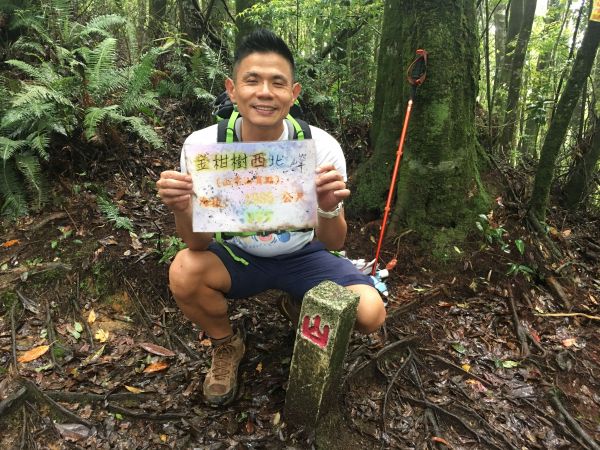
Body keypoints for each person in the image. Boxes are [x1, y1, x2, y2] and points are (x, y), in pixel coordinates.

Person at [156, 29, 386, 406]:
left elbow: (333, 242)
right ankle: (226, 344)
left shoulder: (321, 147)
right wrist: (183, 208)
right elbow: (198, 244)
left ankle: (299, 303)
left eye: (277, 82)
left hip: (303, 254)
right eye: (252, 80)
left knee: (370, 312)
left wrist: (327, 205)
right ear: (232, 90)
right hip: (237, 254)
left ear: (294, 94)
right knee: (184, 270)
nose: (264, 92)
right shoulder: (204, 146)